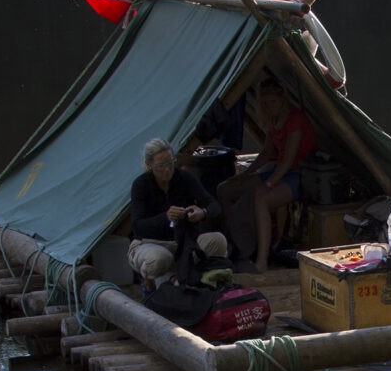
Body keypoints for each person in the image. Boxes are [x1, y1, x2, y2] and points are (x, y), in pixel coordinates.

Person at [216, 75, 318, 272]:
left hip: (299, 174)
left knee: (261, 199)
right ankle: (237, 243)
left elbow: (288, 160)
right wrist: (245, 174)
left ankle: (262, 260)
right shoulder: (273, 120)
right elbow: (267, 153)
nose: (270, 106)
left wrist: (269, 184)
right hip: (278, 171)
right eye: (265, 103)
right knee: (224, 189)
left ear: (282, 100)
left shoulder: (295, 120)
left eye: (273, 102)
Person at [127, 137, 228, 286]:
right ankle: (148, 283)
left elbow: (214, 206)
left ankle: (203, 281)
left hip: (184, 240)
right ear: (150, 165)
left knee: (218, 240)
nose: (167, 170)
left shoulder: (184, 177)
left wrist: (202, 212)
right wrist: (166, 217)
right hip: (151, 243)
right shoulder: (141, 185)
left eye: (170, 164)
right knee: (159, 258)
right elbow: (138, 226)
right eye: (161, 166)